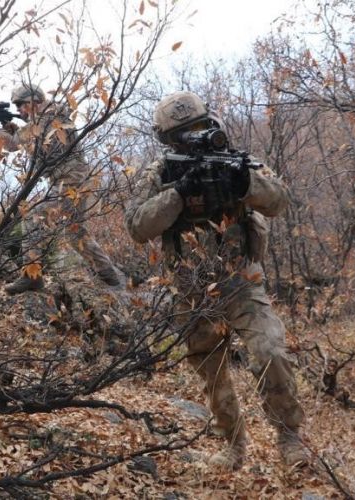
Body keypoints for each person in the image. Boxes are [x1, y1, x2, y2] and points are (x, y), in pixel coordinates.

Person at [124, 91, 308, 470]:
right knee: (212, 372)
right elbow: (138, 227)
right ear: (168, 140)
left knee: (270, 352)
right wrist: (178, 192)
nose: (193, 138)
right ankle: (233, 447)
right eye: (183, 134)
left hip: (241, 280)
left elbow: (280, 201)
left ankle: (290, 438)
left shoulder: (237, 162)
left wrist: (245, 184)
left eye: (199, 128)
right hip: (191, 290)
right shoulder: (162, 172)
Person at [0, 83, 122, 294]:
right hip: (69, 181)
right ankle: (110, 275)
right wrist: (10, 127)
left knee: (34, 218)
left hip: (70, 181)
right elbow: (28, 141)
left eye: (22, 105)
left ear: (33, 102)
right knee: (75, 232)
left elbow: (12, 144)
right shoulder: (48, 117)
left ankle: (33, 277)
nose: (20, 110)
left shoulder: (47, 118)